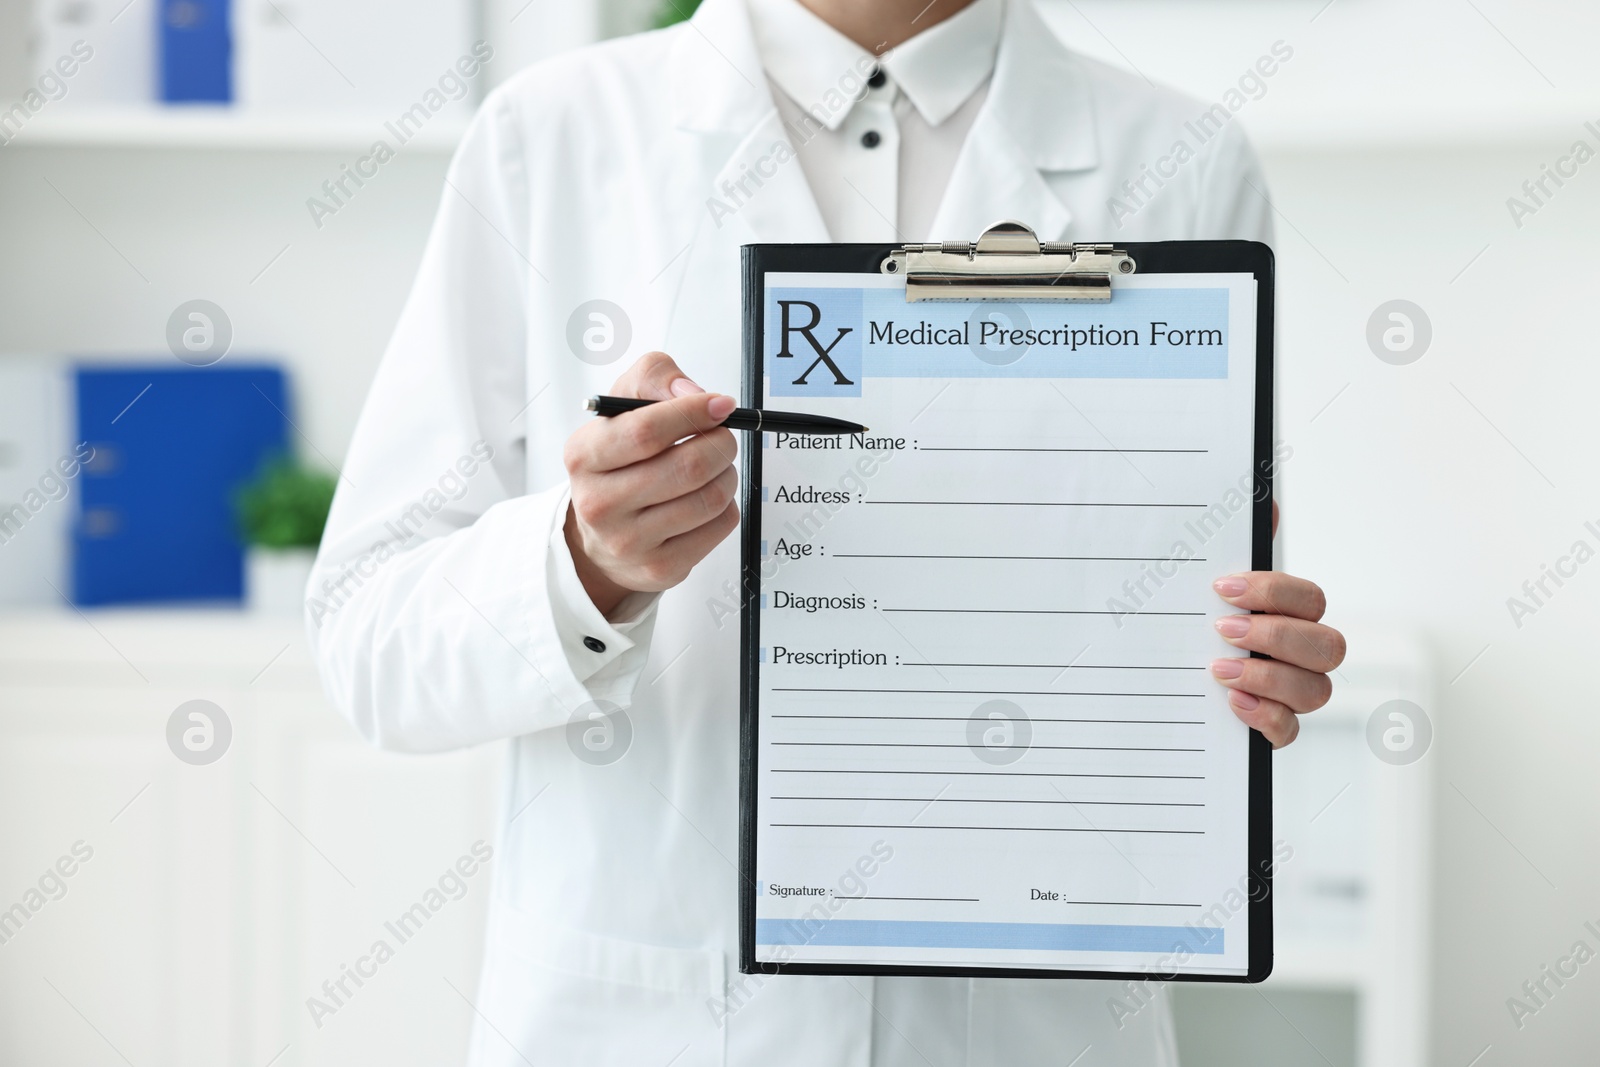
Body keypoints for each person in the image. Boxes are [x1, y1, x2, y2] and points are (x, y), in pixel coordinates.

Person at [306, 0, 1347, 1063]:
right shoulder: (548, 137)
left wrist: (1241, 663)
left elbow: (1191, 597)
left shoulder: (1180, 157)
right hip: (647, 1021)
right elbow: (369, 636)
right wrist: (584, 565)